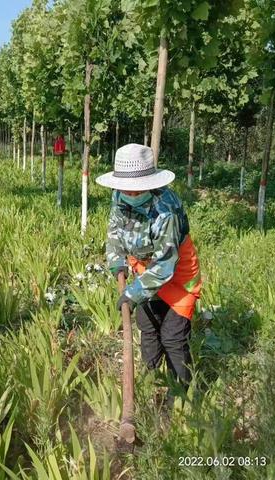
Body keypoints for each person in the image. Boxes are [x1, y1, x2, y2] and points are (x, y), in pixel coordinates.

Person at [96, 144, 202, 403]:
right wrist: (116, 262)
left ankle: (182, 395)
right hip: (145, 272)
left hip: (177, 277)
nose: (131, 193)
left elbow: (165, 264)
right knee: (148, 327)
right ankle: (151, 380)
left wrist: (134, 293)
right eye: (127, 187)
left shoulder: (165, 210)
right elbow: (115, 232)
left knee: (173, 337)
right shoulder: (119, 196)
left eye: (138, 188)